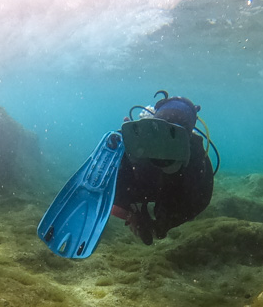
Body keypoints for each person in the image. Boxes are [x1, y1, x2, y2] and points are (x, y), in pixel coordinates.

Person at [36, 90, 218, 259]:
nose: (161, 151)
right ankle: (141, 211)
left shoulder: (195, 165)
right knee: (129, 187)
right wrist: (145, 221)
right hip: (150, 185)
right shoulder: (136, 145)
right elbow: (194, 205)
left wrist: (155, 225)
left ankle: (143, 212)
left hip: (166, 189)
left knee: (153, 198)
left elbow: (193, 204)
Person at [111, 93, 216, 245]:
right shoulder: (136, 140)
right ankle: (144, 214)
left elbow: (196, 201)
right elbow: (198, 202)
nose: (162, 150)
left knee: (168, 208)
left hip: (169, 188)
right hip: (152, 186)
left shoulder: (195, 159)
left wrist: (161, 225)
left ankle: (153, 218)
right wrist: (132, 215)